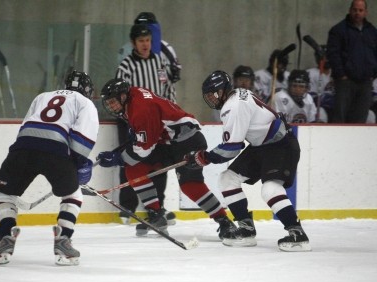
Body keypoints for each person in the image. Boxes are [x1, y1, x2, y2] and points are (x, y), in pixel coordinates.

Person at [96, 79, 238, 242]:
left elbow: (142, 150)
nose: (111, 106)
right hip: (167, 142)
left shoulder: (141, 110)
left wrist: (117, 159)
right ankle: (156, 215)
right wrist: (119, 154)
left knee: (190, 185)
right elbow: (145, 135)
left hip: (188, 141)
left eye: (113, 102)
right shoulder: (133, 96)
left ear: (123, 96)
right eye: (108, 103)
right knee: (134, 167)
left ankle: (224, 221)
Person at [185, 70, 311, 251]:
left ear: (224, 89)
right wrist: (204, 157)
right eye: (209, 95)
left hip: (281, 145)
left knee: (270, 189)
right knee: (227, 179)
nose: (212, 98)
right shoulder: (238, 94)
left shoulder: (232, 107)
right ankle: (246, 230)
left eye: (214, 93)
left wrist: (203, 158)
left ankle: (297, 233)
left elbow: (231, 148)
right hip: (262, 145)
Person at [0, 71, 99, 266]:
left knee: (5, 195)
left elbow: (26, 127)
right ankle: (63, 239)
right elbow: (82, 142)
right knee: (73, 195)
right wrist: (77, 164)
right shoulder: (85, 102)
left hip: (23, 147)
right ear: (87, 89)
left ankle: (5, 237)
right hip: (55, 150)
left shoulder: (43, 96)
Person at [115, 23, 176, 225]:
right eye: (141, 41)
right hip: (131, 121)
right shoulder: (126, 65)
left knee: (159, 162)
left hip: (157, 123)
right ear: (133, 43)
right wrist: (128, 120)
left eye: (148, 40)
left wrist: (171, 114)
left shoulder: (160, 62)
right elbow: (119, 97)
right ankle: (128, 206)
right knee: (130, 159)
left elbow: (168, 91)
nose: (145, 44)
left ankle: (158, 207)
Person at [327, 0, 377, 123]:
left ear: (366, 12)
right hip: (345, 82)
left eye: (360, 10)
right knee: (340, 116)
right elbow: (333, 54)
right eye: (355, 10)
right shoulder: (338, 30)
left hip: (365, 82)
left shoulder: (372, 31)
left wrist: (373, 74)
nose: (357, 13)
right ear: (350, 10)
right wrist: (341, 75)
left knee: (360, 118)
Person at [306, 45, 332, 122]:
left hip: (337, 108)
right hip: (320, 107)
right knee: (320, 112)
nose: (326, 60)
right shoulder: (310, 73)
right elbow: (311, 98)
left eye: (328, 57)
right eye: (324, 57)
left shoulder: (338, 73)